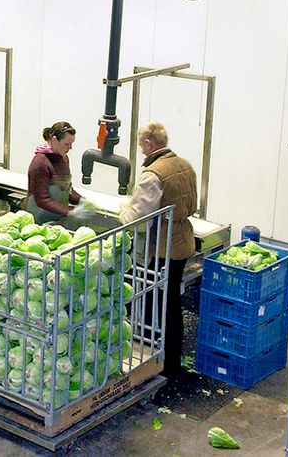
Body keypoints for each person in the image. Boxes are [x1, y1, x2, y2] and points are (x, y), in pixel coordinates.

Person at [119, 122, 198, 382]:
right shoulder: (184, 164)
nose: (141, 151)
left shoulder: (153, 175)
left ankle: (157, 359)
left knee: (156, 303)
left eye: (142, 145)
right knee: (172, 300)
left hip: (161, 245)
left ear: (150, 144)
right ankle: (172, 358)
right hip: (183, 239)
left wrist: (123, 211)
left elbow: (139, 217)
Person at [26, 121, 92, 226]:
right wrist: (69, 212)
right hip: (38, 221)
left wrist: (81, 200)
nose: (70, 148)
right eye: (66, 144)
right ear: (54, 140)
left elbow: (67, 189)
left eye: (71, 144)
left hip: (57, 219)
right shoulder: (40, 163)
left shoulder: (64, 158)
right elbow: (42, 200)